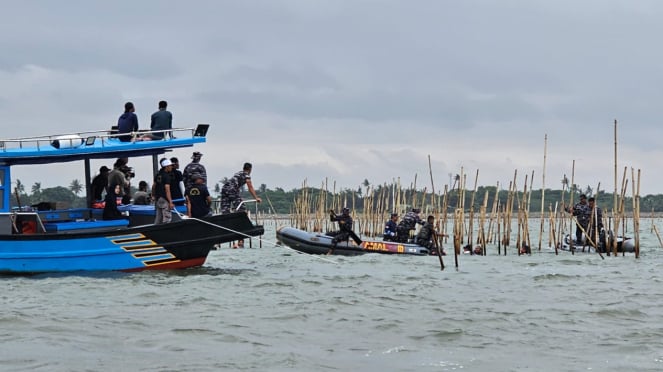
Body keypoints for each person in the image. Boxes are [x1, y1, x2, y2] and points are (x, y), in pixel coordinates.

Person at [152, 158, 174, 224]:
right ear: (166, 167)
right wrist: (170, 202)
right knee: (167, 217)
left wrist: (153, 195)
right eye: (170, 166)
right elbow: (167, 189)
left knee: (159, 217)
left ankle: (155, 229)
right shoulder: (166, 176)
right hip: (164, 198)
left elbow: (154, 186)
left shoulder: (158, 175)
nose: (171, 167)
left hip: (158, 198)